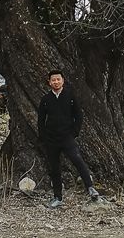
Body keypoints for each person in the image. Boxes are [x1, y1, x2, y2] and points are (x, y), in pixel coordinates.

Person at [37, 69, 100, 208]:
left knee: (77, 159)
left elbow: (79, 115)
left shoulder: (70, 96)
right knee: (54, 168)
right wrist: (44, 137)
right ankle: (57, 197)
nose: (56, 82)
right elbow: (40, 120)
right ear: (49, 82)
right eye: (53, 80)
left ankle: (90, 188)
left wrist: (74, 132)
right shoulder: (46, 99)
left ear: (63, 81)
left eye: (58, 79)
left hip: (67, 137)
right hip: (51, 139)